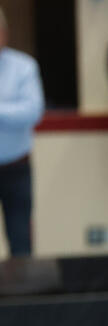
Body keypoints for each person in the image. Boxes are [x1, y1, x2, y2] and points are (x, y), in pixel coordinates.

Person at [0, 6, 44, 257]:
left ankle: (22, 297)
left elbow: (32, 112)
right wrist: (9, 111)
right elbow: (19, 111)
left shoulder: (23, 66)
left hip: (17, 167)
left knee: (21, 241)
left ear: (4, 33)